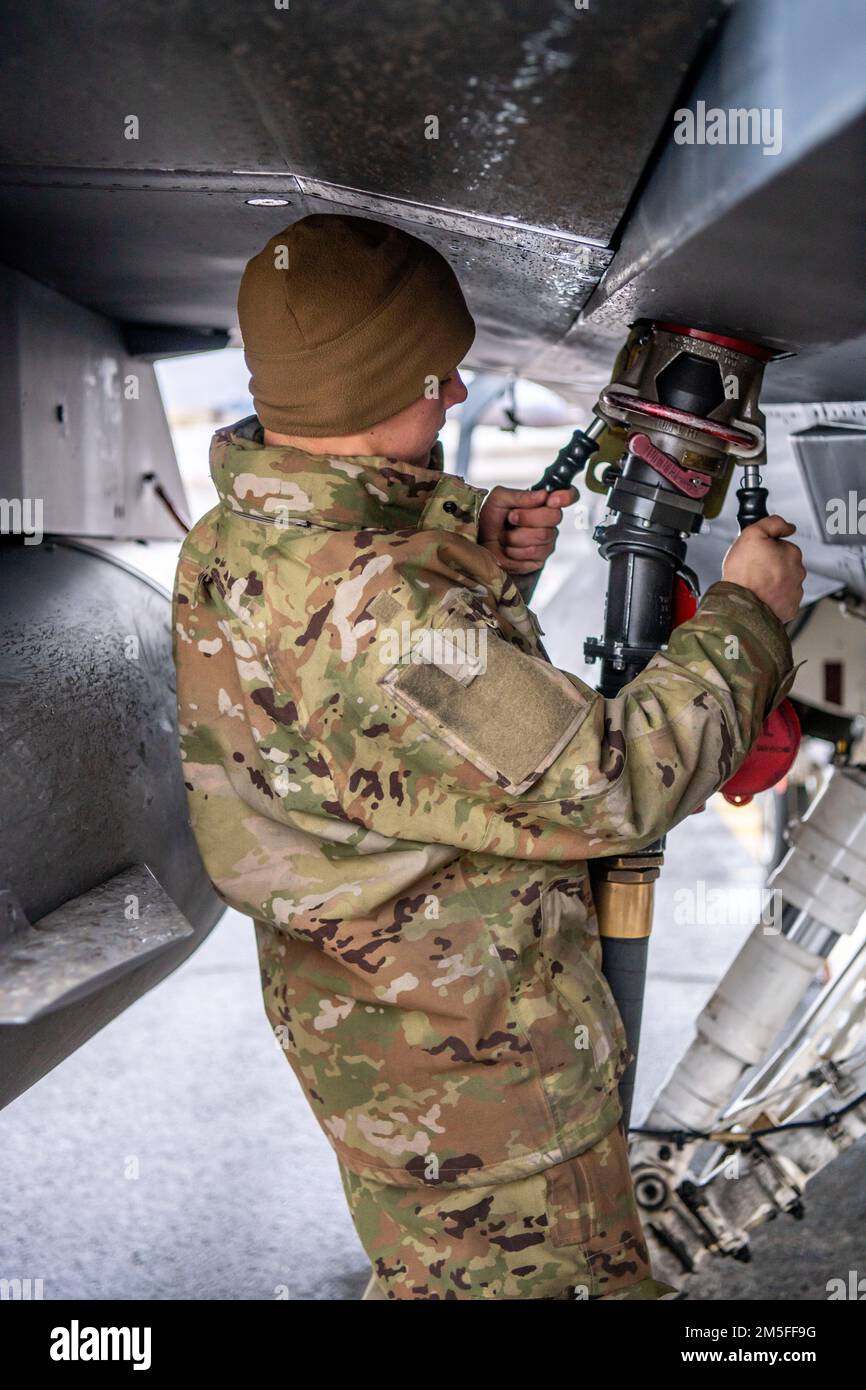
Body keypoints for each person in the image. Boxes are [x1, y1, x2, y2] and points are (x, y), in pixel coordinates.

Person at [171, 214, 805, 1300]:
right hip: (487, 1087)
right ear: (375, 392)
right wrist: (746, 613)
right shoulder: (395, 622)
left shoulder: (232, 536)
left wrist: (471, 544)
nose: (458, 396)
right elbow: (614, 782)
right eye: (438, 378)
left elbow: (363, 694)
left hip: (375, 1038)